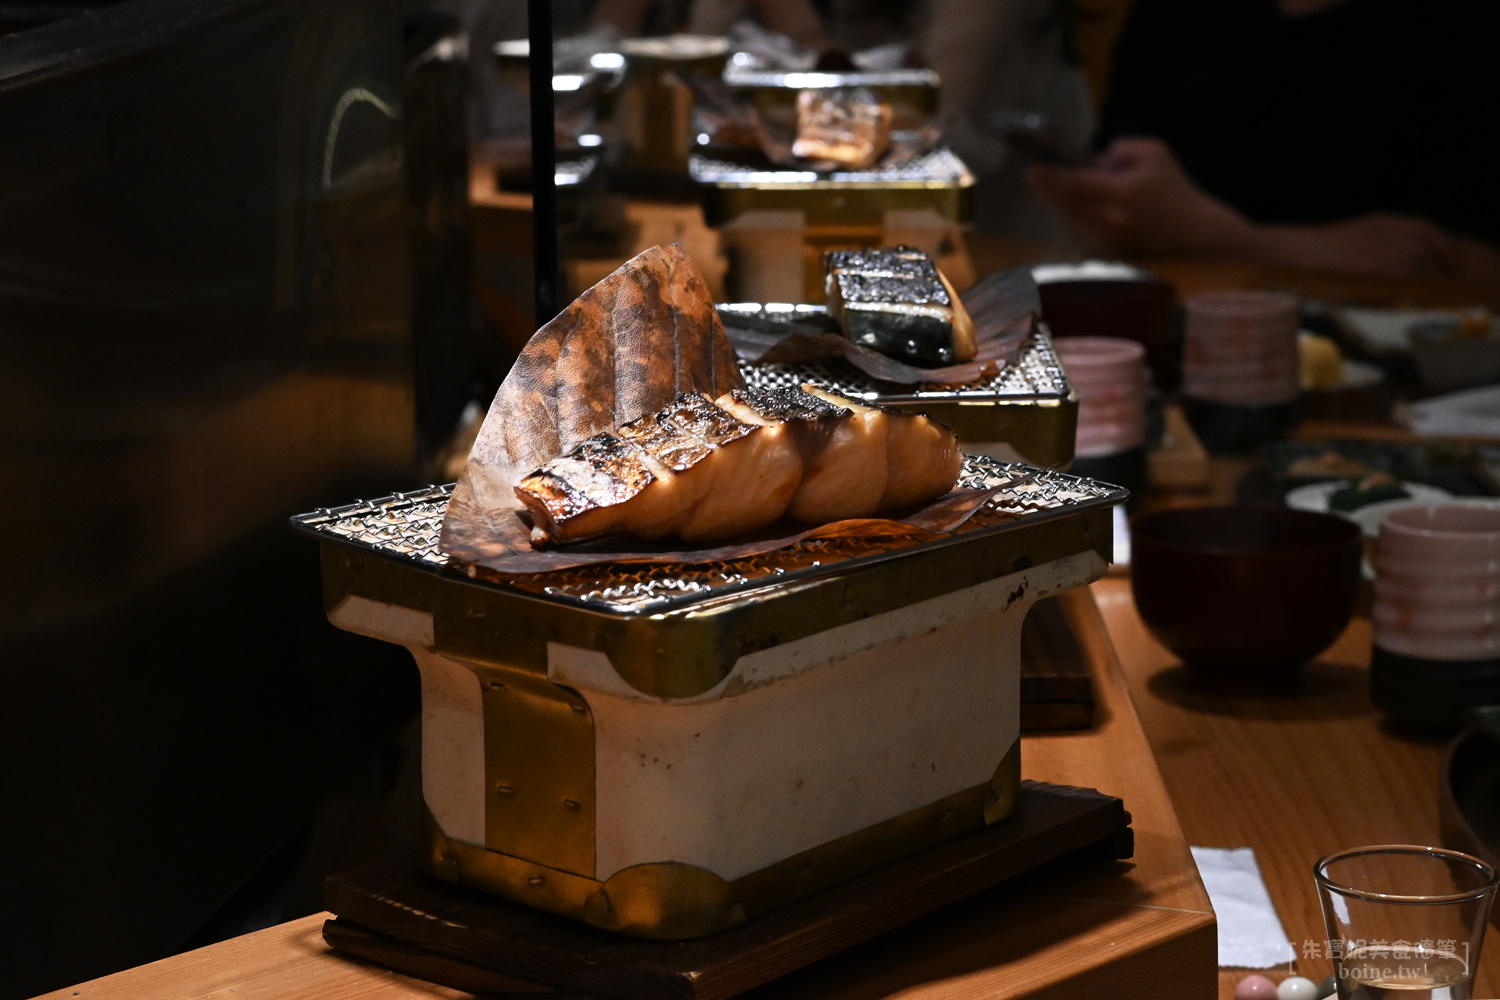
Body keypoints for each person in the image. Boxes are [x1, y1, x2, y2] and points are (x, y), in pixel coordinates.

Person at [1027, 0, 1500, 298]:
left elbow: (1436, 262)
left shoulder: (1458, 31)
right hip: (1182, 346)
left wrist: (1227, 239)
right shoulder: (1182, 15)